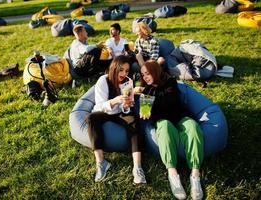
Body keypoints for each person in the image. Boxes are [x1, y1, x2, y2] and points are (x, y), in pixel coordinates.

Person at [134, 60, 204, 200]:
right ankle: (172, 174)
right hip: (163, 121)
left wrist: (147, 96)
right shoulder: (146, 89)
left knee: (193, 127)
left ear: (155, 71)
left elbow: (169, 100)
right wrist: (145, 110)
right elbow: (147, 112)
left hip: (180, 117)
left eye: (148, 73)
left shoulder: (170, 82)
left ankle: (195, 176)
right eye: (143, 74)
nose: (145, 77)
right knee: (164, 128)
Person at [86, 55, 146, 184]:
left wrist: (126, 105)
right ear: (114, 68)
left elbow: (127, 106)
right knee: (91, 118)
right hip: (104, 111)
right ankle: (101, 163)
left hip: (120, 112)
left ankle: (137, 167)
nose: (124, 73)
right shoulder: (103, 80)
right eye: (121, 70)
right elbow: (101, 105)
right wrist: (114, 101)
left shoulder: (128, 81)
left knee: (134, 122)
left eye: (127, 70)